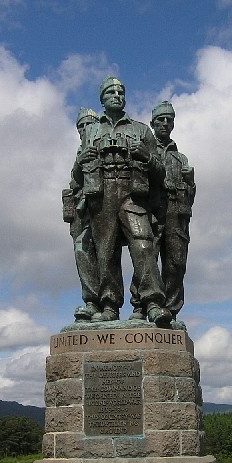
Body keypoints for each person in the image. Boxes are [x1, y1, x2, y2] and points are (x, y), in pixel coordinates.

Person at [75, 77, 172, 326]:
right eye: (111, 92)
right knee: (105, 252)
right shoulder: (92, 131)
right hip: (102, 193)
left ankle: (152, 302)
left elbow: (160, 171)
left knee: (143, 246)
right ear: (102, 99)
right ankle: (109, 305)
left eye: (120, 92)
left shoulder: (141, 130)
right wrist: (79, 161)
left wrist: (147, 157)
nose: (117, 95)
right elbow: (77, 175)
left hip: (132, 193)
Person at [129, 101, 195, 322]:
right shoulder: (145, 149)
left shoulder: (180, 158)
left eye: (169, 120)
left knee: (176, 263)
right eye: (161, 120)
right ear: (152, 123)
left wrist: (191, 183)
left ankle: (170, 309)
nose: (165, 124)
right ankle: (140, 305)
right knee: (147, 255)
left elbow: (190, 196)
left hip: (177, 212)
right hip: (153, 209)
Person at [65, 107, 104, 322]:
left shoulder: (103, 143)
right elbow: (74, 181)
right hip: (83, 210)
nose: (85, 129)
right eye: (81, 126)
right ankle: (92, 301)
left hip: (106, 207)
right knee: (82, 250)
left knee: (108, 255)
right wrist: (80, 164)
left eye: (89, 124)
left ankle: (116, 305)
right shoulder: (80, 152)